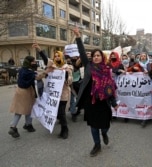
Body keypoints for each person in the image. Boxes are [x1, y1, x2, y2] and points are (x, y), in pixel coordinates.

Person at [73, 27, 118, 157]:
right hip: (90, 101)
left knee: (105, 124)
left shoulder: (106, 70)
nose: (96, 57)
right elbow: (82, 52)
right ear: (92, 58)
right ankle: (97, 145)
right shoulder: (88, 66)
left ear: (102, 57)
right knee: (93, 125)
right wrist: (78, 37)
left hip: (103, 102)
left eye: (98, 55)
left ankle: (104, 133)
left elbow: (110, 88)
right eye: (94, 56)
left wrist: (114, 102)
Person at [34, 45, 73, 139]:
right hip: (52, 95)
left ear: (62, 57)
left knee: (61, 112)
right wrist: (39, 50)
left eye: (58, 55)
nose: (56, 57)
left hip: (63, 94)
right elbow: (45, 63)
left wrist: (66, 75)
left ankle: (65, 130)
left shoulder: (68, 67)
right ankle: (61, 128)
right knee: (56, 113)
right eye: (55, 56)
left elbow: (70, 81)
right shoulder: (52, 67)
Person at [8, 56, 51, 138]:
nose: (35, 63)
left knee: (23, 109)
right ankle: (16, 127)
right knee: (26, 109)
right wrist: (46, 71)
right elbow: (37, 76)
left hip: (19, 91)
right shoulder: (28, 72)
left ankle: (26, 124)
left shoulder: (22, 69)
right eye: (33, 61)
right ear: (29, 62)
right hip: (26, 92)